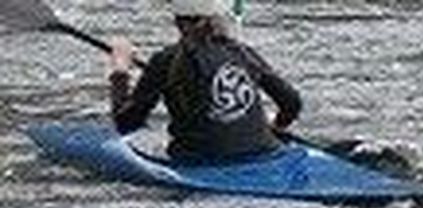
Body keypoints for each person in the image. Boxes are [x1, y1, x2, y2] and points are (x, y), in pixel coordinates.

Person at [106, 0, 301, 163]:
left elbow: (126, 124)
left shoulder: (165, 60)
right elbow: (292, 103)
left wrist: (120, 71)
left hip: (201, 164)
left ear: (177, 21)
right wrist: (274, 127)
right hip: (264, 152)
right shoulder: (243, 52)